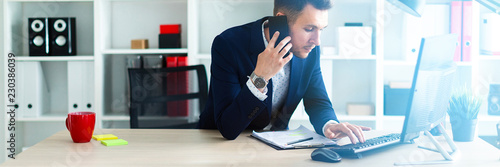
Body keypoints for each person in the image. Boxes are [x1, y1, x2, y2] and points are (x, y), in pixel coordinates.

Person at [198, 0, 371, 144]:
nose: (317, 41)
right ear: (281, 20)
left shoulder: (310, 50)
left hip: (275, 146)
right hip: (220, 144)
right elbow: (228, 128)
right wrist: (260, 77)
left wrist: (329, 125)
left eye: (321, 29)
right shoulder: (228, 45)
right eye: (309, 29)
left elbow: (317, 101)